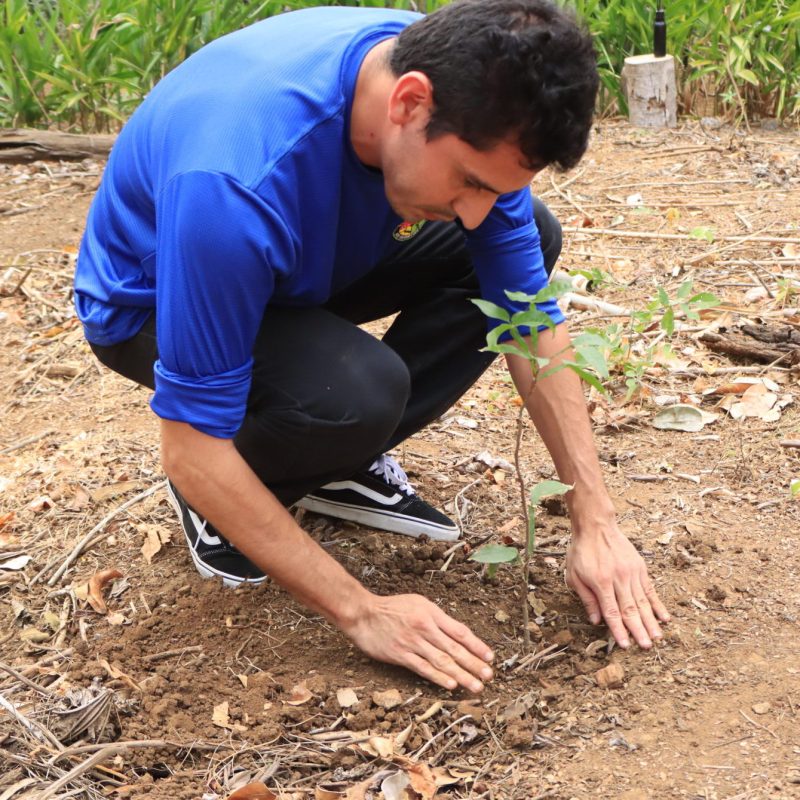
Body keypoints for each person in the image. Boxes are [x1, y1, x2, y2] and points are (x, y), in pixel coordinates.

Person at [74, 0, 670, 694]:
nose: (480, 210)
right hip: (157, 297)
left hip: (299, 264)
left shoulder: (467, 83)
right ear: (409, 104)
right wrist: (361, 611)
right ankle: (237, 499)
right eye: (472, 183)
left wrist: (593, 518)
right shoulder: (235, 181)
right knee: (355, 395)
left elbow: (529, 315)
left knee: (527, 235)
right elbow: (189, 448)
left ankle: (330, 460)